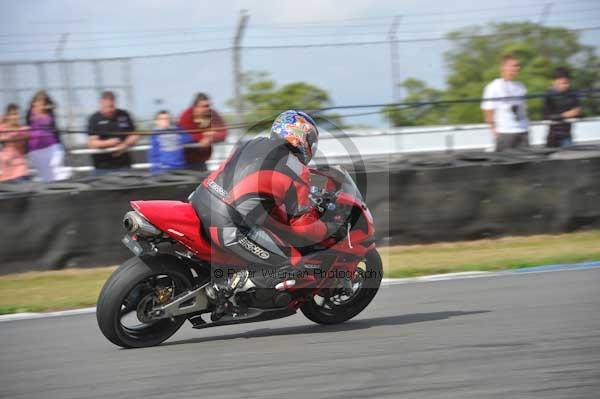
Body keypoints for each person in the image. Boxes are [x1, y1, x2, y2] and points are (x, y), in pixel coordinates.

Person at [190, 110, 330, 319]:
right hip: (228, 225)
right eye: (310, 139)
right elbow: (298, 223)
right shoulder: (297, 169)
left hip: (199, 200)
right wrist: (324, 225)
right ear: (300, 135)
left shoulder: (252, 143)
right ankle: (226, 287)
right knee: (293, 264)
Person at [481, 54, 529, 151]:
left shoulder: (521, 86)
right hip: (505, 132)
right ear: (504, 67)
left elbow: (524, 109)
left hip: (523, 131)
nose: (517, 68)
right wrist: (494, 131)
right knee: (505, 163)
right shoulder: (493, 86)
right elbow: (487, 110)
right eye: (514, 65)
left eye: (518, 65)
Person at [87, 91, 138, 175]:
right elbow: (92, 143)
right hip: (102, 168)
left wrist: (124, 145)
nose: (110, 109)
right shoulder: (94, 119)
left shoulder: (124, 115)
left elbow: (134, 135)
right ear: (101, 104)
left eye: (112, 106)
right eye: (107, 107)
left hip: (124, 166)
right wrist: (109, 143)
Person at [25, 91, 71, 181]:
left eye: (43, 101)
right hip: (36, 149)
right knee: (45, 174)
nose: (40, 103)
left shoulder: (49, 113)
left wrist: (61, 145)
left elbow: (55, 129)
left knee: (56, 168)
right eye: (38, 101)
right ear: (34, 102)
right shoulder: (30, 114)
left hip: (52, 146)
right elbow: (28, 128)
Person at [178, 93, 227, 171]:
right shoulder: (186, 116)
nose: (207, 109)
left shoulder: (212, 114)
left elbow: (223, 132)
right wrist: (205, 136)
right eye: (204, 106)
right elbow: (187, 135)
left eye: (208, 106)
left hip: (202, 161)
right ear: (195, 107)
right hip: (186, 162)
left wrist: (211, 137)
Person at [543, 67, 582, 148]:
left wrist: (577, 112)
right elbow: (546, 116)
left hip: (567, 135)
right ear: (554, 82)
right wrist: (565, 115)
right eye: (562, 83)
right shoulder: (548, 95)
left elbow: (578, 112)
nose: (565, 86)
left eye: (567, 83)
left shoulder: (572, 94)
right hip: (553, 137)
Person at [0, 104, 29, 182]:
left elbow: (23, 140)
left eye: (17, 114)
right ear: (7, 116)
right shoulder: (3, 128)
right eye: (13, 114)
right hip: (6, 171)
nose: (16, 117)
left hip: (19, 169)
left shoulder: (23, 130)